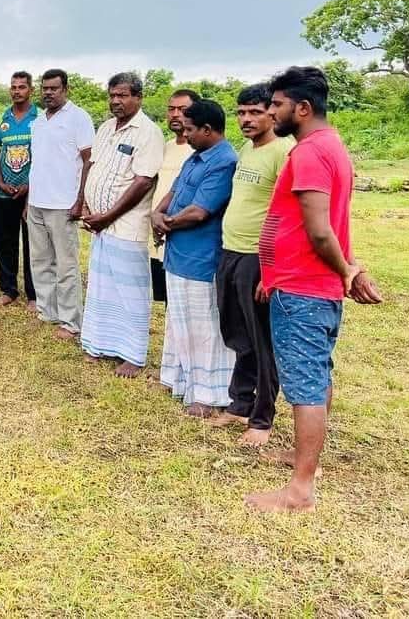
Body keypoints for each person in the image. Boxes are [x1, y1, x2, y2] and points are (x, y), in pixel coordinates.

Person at [246, 66, 382, 513]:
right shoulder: (331, 146)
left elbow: (321, 230)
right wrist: (348, 270)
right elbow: (331, 225)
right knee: (316, 374)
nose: (271, 112)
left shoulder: (308, 153)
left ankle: (300, 490)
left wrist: (346, 271)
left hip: (303, 289)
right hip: (302, 282)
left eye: (278, 105)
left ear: (302, 108)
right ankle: (307, 460)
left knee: (305, 383)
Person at [208, 84, 293, 445]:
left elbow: (288, 213)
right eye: (241, 112)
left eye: (255, 112)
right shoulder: (247, 148)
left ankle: (262, 419)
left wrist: (272, 270)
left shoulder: (283, 151)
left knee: (261, 341)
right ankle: (240, 404)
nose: (246, 119)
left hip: (258, 258)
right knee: (238, 334)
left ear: (271, 113)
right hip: (230, 251)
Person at [153, 100, 238, 417]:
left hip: (201, 257)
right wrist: (157, 213)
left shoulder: (224, 162)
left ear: (207, 129)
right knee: (179, 322)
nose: (184, 134)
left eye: (189, 130)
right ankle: (176, 380)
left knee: (204, 328)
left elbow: (200, 211)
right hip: (178, 254)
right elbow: (173, 193)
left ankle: (208, 395)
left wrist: (166, 223)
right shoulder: (195, 157)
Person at [79, 72, 164, 377]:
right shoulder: (105, 128)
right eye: (113, 95)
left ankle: (133, 355)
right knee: (102, 288)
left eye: (123, 95)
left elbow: (143, 182)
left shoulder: (148, 132)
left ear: (138, 98)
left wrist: (108, 216)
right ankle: (100, 343)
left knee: (130, 292)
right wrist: (86, 205)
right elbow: (92, 167)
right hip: (101, 225)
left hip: (126, 226)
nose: (116, 101)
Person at [26, 68, 95, 340]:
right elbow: (38, 163)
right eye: (45, 88)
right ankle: (47, 311)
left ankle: (70, 321)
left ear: (66, 89)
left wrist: (80, 200)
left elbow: (89, 160)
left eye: (54, 88)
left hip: (64, 204)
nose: (48, 93)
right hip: (37, 202)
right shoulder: (38, 121)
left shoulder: (79, 118)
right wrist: (29, 200)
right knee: (40, 261)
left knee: (66, 265)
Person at [0, 70, 38, 310]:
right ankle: (8, 290)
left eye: (22, 87)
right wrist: (1, 183)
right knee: (4, 243)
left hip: (32, 194)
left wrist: (30, 185)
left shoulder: (40, 119)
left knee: (33, 245)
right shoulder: (0, 121)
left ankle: (33, 294)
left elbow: (44, 158)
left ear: (31, 90)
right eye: (14, 87)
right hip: (4, 194)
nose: (17, 91)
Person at [150, 89, 201, 303]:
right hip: (158, 236)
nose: (175, 114)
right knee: (167, 301)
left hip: (185, 236)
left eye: (182, 109)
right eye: (171, 109)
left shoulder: (199, 151)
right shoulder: (164, 147)